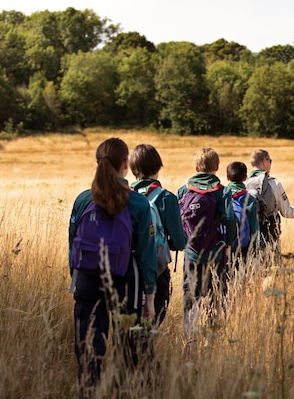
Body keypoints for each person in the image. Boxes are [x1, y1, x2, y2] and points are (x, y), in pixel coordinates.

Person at [68, 138, 157, 396]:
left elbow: (72, 244)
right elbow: (147, 255)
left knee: (88, 346)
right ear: (125, 164)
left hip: (86, 278)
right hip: (125, 279)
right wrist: (149, 298)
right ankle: (123, 392)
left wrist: (76, 279)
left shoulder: (83, 200)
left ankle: (88, 391)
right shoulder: (139, 204)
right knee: (127, 346)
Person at [177, 147, 237, 344]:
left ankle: (189, 341)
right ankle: (211, 340)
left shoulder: (184, 190)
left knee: (190, 297)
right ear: (217, 167)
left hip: (191, 254)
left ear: (196, 168)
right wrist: (228, 245)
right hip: (216, 254)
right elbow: (229, 220)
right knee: (216, 296)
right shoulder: (223, 191)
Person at [129, 143, 186, 327]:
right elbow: (178, 241)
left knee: (130, 325)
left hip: (125, 269)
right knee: (151, 324)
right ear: (157, 167)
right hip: (156, 269)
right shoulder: (166, 198)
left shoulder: (122, 196)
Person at [245, 149, 294, 263]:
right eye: (270, 161)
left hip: (248, 234)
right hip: (270, 233)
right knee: (272, 269)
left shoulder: (244, 183)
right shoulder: (273, 183)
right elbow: (286, 211)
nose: (271, 164)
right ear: (264, 161)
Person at [224, 161, 261, 269]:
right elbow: (254, 227)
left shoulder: (221, 195)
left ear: (227, 177)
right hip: (243, 247)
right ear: (245, 178)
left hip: (223, 246)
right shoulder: (250, 200)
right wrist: (256, 250)